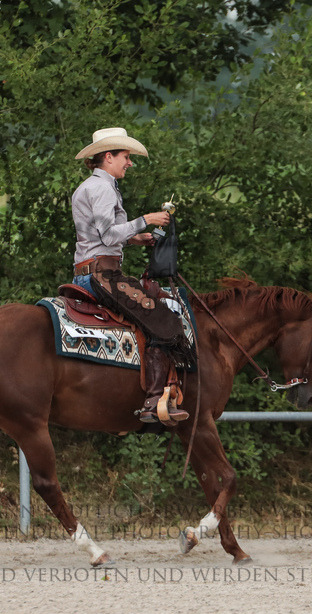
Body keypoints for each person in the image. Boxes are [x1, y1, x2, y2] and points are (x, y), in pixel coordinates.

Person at [71, 127, 194, 425]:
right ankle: (153, 400)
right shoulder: (100, 188)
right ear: (108, 157)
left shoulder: (101, 186)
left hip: (98, 268)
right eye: (126, 157)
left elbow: (105, 237)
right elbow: (108, 233)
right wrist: (146, 221)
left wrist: (137, 239)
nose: (130, 163)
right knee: (164, 317)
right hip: (101, 275)